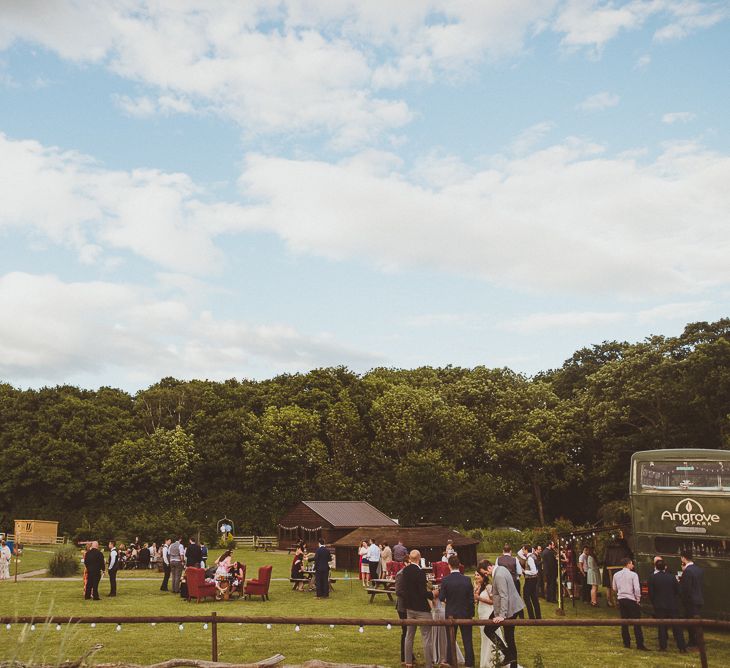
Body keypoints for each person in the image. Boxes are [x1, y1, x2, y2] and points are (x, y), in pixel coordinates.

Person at [479, 558, 524, 668]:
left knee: (493, 631)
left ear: (489, 567)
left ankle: (508, 655)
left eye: (486, 572)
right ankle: (510, 657)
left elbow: (504, 596)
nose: (486, 575)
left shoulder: (498, 575)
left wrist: (501, 616)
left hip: (510, 609)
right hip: (506, 607)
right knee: (507, 637)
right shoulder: (502, 568)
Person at [439, 555, 475, 667]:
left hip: (451, 613)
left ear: (449, 565)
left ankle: (450, 661)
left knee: (451, 640)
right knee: (467, 640)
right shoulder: (467, 579)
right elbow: (471, 599)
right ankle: (469, 663)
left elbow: (441, 597)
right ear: (459, 565)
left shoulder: (445, 580)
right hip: (465, 613)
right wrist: (471, 613)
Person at [402, 549, 435, 668]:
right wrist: (432, 594)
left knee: (409, 635)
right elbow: (422, 592)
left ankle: (408, 662)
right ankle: (428, 664)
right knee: (426, 637)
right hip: (421, 609)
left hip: (409, 607)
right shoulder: (420, 573)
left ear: (410, 559)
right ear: (419, 558)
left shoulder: (405, 571)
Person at [648, 559, 686, 653]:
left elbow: (651, 593)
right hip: (672, 604)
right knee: (677, 627)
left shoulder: (652, 577)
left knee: (661, 626)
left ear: (656, 567)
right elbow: (678, 591)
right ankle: (681, 647)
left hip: (659, 605)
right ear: (665, 567)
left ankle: (663, 646)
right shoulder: (672, 577)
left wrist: (655, 603)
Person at [612, 557, 648, 651]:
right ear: (628, 564)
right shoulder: (633, 575)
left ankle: (626, 643)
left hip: (621, 599)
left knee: (624, 622)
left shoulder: (616, 575)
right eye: (631, 563)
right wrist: (638, 599)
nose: (633, 565)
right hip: (631, 599)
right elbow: (636, 589)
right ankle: (639, 643)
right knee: (637, 622)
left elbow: (614, 588)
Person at [475, 570, 503, 668]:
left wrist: (479, 598)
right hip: (481, 613)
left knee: (489, 636)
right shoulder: (480, 587)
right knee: (484, 637)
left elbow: (493, 602)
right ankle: (486, 660)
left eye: (478, 575)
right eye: (475, 575)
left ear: (483, 577)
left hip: (488, 613)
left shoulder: (489, 587)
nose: (476, 577)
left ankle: (494, 659)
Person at [679, 550, 704, 649]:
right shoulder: (699, 569)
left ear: (683, 558)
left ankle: (693, 641)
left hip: (690, 601)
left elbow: (686, 588)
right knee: (696, 621)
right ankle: (698, 640)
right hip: (698, 598)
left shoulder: (687, 571)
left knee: (690, 622)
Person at [497, 544, 523, 619]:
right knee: (517, 597)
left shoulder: (498, 559)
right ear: (510, 551)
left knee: (503, 596)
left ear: (503, 551)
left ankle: (504, 612)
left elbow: (496, 571)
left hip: (502, 582)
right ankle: (520, 615)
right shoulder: (515, 560)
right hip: (514, 582)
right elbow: (519, 572)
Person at [521, 545, 542, 619]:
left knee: (526, 597)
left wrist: (524, 571)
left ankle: (531, 617)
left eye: (523, 549)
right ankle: (538, 616)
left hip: (530, 580)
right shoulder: (534, 556)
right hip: (534, 579)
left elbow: (533, 571)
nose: (523, 551)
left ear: (526, 550)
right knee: (534, 597)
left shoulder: (530, 558)